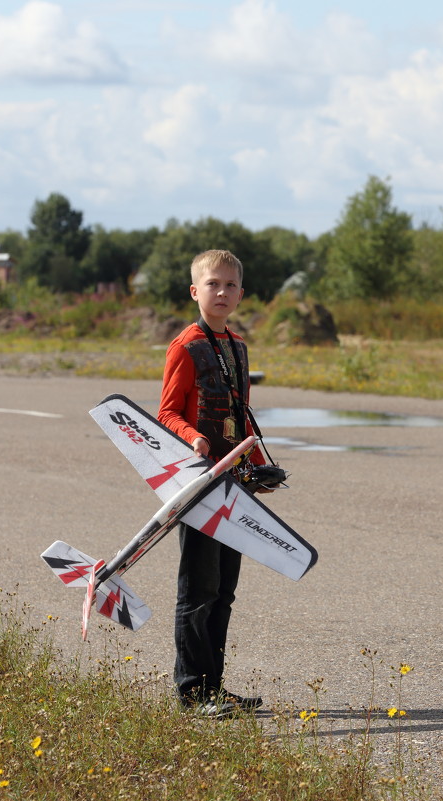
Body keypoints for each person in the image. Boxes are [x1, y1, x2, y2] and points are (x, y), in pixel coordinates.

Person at [158, 249, 266, 718]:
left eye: (230, 285)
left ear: (241, 293)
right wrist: (194, 437)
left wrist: (258, 463)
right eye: (212, 284)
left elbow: (240, 416)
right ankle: (190, 693)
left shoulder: (238, 346)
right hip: (200, 485)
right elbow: (166, 413)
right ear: (194, 291)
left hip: (235, 482)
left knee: (223, 590)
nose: (221, 293)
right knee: (197, 589)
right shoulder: (185, 345)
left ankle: (214, 689)